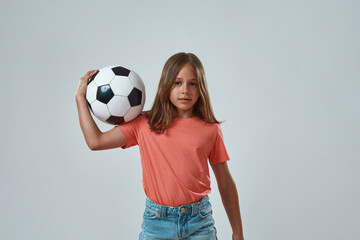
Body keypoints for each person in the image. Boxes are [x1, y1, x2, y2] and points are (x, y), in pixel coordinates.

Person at [75, 52, 244, 240]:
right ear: (166, 85)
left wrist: (237, 231)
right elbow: (95, 141)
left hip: (200, 222)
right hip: (157, 223)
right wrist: (80, 98)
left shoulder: (210, 129)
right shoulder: (145, 124)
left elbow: (225, 181)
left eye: (192, 83)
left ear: (201, 87)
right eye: (177, 83)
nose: (185, 90)